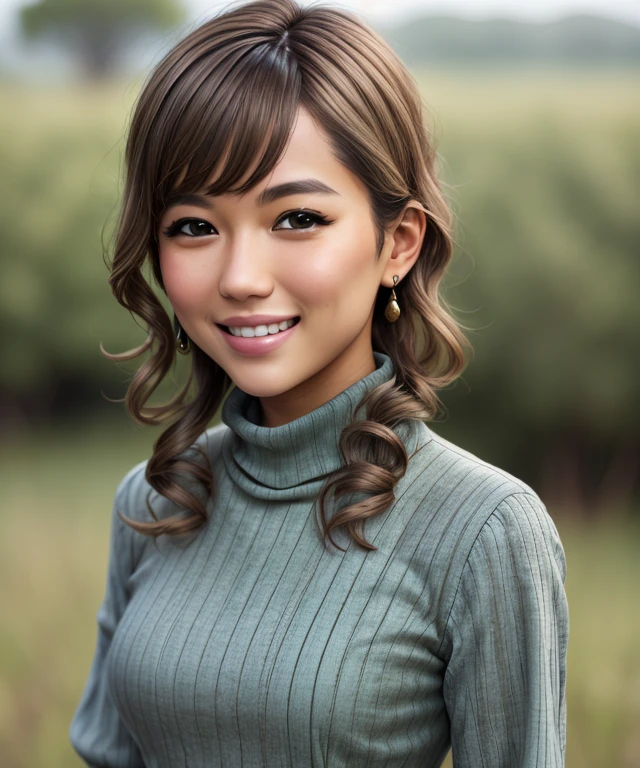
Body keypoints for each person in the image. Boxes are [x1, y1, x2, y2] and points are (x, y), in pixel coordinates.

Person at [69, 0, 569, 766]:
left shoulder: (485, 533)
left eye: (296, 218)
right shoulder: (156, 499)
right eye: (194, 226)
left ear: (398, 243)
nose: (240, 278)